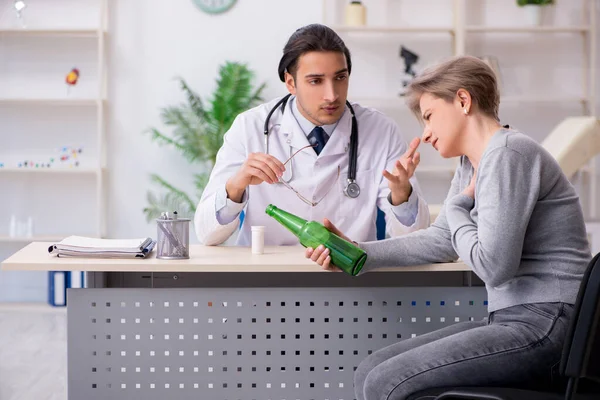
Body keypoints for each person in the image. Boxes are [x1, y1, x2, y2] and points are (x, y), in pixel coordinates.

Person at [305, 55, 592, 399]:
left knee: (388, 380)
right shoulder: (472, 164)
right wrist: (358, 252)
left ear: (463, 100)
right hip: (515, 319)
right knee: (372, 370)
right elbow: (443, 239)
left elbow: (495, 267)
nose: (425, 134)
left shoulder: (508, 152)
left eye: (428, 117)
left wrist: (456, 207)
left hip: (548, 323)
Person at [194, 24, 430, 246]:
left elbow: (415, 238)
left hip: (348, 280)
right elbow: (207, 234)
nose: (332, 95)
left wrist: (401, 193)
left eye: (340, 77)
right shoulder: (250, 127)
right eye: (316, 81)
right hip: (266, 278)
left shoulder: (380, 130)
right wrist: (236, 186)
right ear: (290, 82)